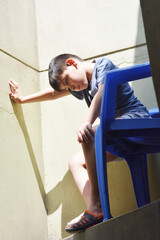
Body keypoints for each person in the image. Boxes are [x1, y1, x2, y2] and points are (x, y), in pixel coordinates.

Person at [9, 53, 150, 232]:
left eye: (68, 80)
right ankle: (97, 210)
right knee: (75, 161)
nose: (72, 88)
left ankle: (96, 206)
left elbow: (102, 93)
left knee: (88, 133)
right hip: (116, 134)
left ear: (72, 63)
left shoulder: (102, 66)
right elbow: (54, 93)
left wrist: (86, 122)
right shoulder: (82, 87)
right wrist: (23, 99)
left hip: (135, 121)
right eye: (68, 87)